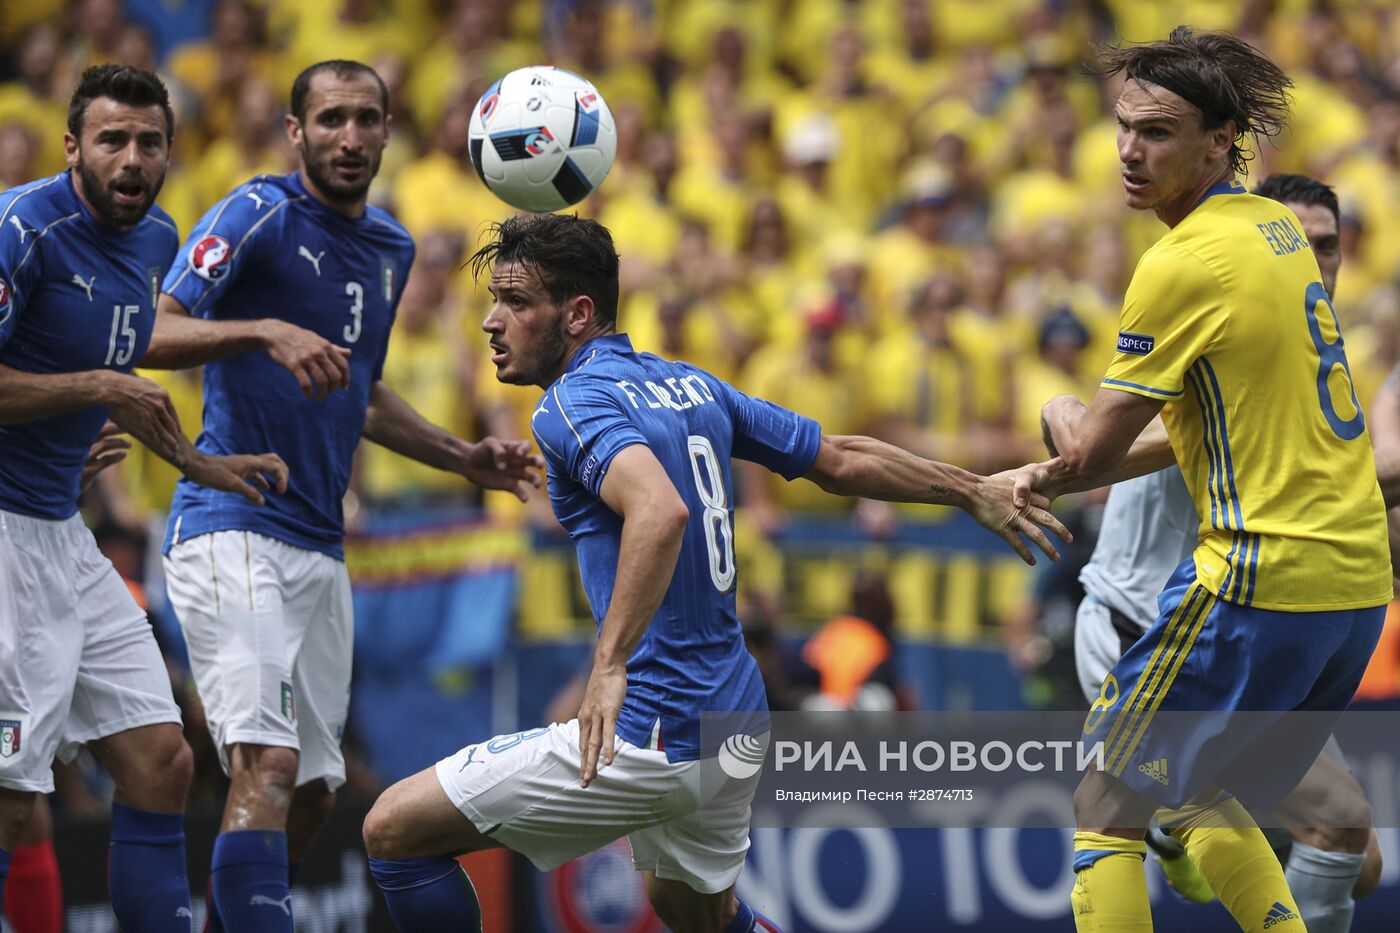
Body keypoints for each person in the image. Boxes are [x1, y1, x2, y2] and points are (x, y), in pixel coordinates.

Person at [358, 211, 1070, 933]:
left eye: (514, 302)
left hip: (649, 730)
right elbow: (841, 456)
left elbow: (659, 512)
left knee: (393, 832)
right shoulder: (692, 385)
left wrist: (607, 665)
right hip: (733, 722)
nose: (490, 321)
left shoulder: (568, 405)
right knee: (696, 912)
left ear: (576, 314)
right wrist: (969, 487)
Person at [138, 60, 541, 933]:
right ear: (296, 132)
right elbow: (152, 327)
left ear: (387, 132)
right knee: (269, 763)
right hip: (232, 524)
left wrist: (462, 456)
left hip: (321, 547)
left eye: (366, 120)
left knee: (320, 791)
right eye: (330, 121)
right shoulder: (258, 213)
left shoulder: (394, 248)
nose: (349, 137)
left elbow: (360, 388)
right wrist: (264, 328)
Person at [1015, 28, 1392, 932]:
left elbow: (1092, 457)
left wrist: (1061, 411)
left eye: (1158, 133)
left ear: (1222, 140)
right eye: (1123, 129)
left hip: (1257, 582)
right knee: (1225, 797)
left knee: (1109, 792)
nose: (1129, 153)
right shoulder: (1276, 230)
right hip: (1354, 593)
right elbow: (1205, 424)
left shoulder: (1180, 262)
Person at [0, 64, 289, 932]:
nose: (132, 157)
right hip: (4, 537)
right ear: (72, 147)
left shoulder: (158, 237)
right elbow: (100, 375)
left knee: (163, 758)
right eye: (112, 139)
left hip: (59, 529)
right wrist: (93, 386)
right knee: (13, 799)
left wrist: (199, 465)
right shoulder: (22, 228)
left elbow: (126, 361)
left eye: (149, 142)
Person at [1071, 172, 1384, 930]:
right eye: (1299, 244)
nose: (1315, 262)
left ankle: (1172, 826)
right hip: (1145, 623)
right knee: (1136, 794)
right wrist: (1063, 427)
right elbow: (1110, 449)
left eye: (1328, 248)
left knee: (1356, 851)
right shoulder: (1220, 320)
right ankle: (1173, 818)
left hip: (1254, 629)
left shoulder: (1317, 363)